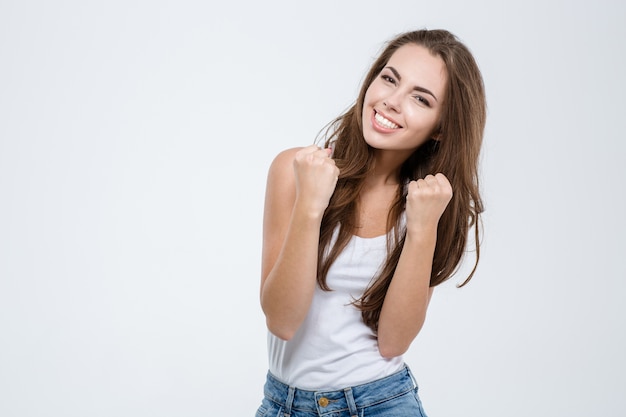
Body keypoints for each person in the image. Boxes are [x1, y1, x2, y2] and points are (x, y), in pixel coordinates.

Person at [256, 29, 486, 417]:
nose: (391, 102)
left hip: (382, 403)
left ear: (441, 127)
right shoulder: (296, 169)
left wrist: (423, 228)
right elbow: (281, 321)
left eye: (420, 98)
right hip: (285, 405)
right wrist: (311, 206)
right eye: (389, 78)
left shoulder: (431, 204)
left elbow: (393, 342)